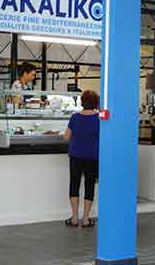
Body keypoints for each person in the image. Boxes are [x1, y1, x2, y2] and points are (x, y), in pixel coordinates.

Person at [63, 90, 100, 228]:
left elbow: (66, 137)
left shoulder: (74, 117)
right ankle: (85, 219)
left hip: (75, 155)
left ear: (82, 102)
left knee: (74, 184)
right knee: (89, 185)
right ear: (96, 103)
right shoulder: (99, 118)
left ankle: (74, 217)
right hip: (92, 156)